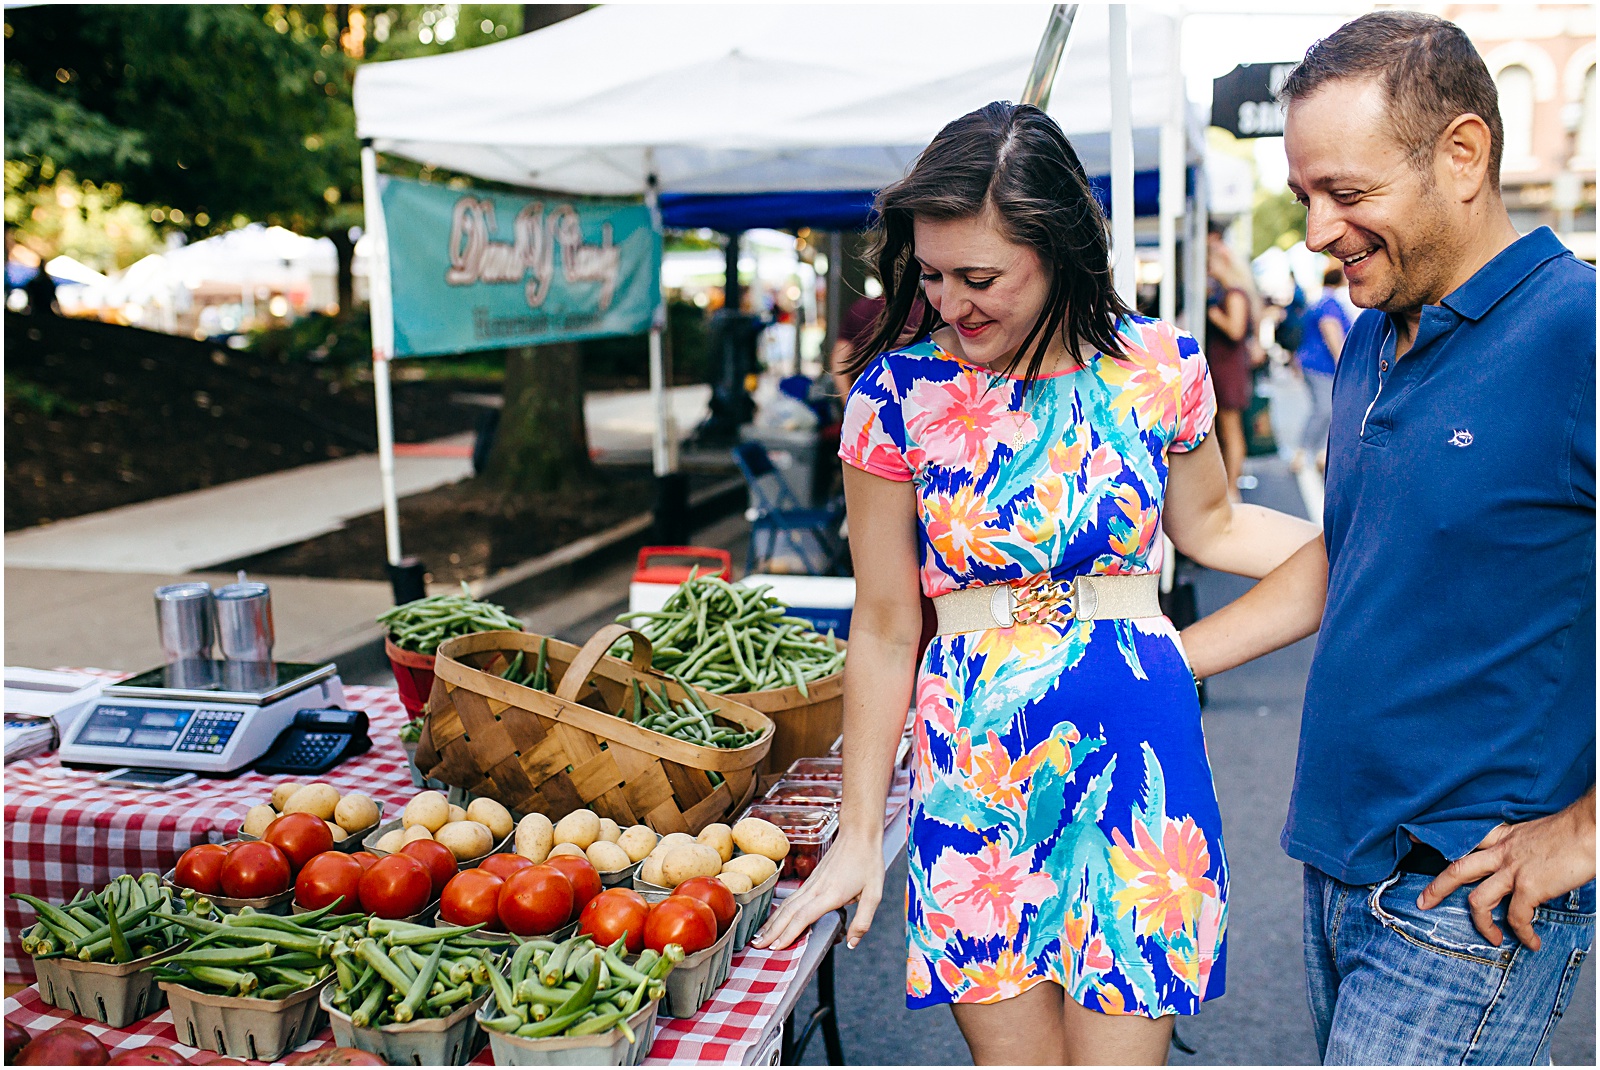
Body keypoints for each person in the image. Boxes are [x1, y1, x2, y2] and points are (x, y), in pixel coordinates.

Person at [753, 101, 1321, 1066]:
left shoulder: (1160, 369)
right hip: (975, 774)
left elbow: (1219, 529)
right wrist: (857, 835)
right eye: (931, 275)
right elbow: (886, 627)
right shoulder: (895, 397)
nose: (949, 303)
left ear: (1059, 250)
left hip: (1142, 770)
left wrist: (1367, 551)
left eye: (979, 278)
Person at [1180, 11, 1594, 1064]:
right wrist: (1157, 661)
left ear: (1463, 154)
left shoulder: (1577, 330)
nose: (1317, 230)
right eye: (1304, 195)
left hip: (1465, 894)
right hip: (1340, 865)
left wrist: (1587, 830)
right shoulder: (1374, 331)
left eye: (1347, 193)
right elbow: (1352, 552)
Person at [1204, 225, 1260, 501]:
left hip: (1229, 369)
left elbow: (1235, 330)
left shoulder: (1234, 293)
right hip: (1226, 367)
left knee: (1231, 430)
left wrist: (1214, 315)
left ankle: (1232, 488)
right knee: (1226, 430)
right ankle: (1229, 486)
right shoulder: (1230, 292)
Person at [1291, 263, 1351, 474]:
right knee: (1324, 408)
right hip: (1321, 366)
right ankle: (1302, 452)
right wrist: (1343, 363)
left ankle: (1318, 453)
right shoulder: (1330, 303)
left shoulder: (1322, 300)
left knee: (1327, 409)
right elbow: (1331, 333)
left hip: (1314, 364)